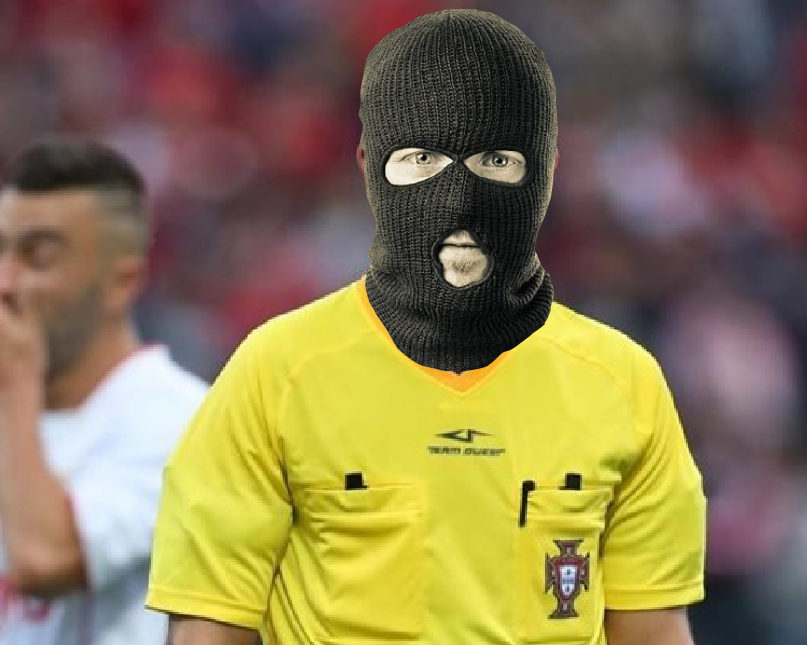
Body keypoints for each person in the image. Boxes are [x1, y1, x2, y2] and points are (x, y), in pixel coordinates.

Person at [147, 9, 707, 645]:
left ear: (548, 170)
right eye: (421, 159)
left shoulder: (622, 385)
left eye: (496, 160)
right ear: (367, 165)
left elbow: (654, 631)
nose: (458, 198)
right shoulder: (276, 374)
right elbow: (209, 628)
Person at [0, 139, 207, 645]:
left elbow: (45, 561)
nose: (6, 282)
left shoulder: (180, 422)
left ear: (123, 281)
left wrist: (14, 378)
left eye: (38, 257)